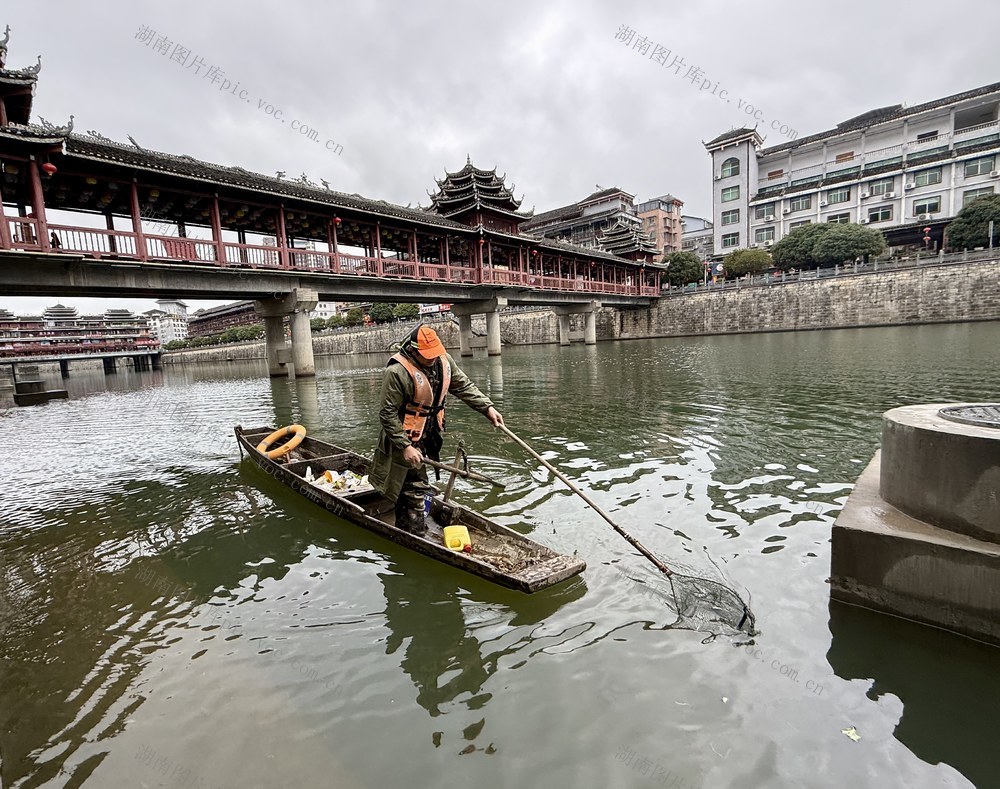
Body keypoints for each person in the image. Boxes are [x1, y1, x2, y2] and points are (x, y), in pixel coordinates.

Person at [369, 324, 504, 535]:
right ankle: (412, 531)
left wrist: (487, 408)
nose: (432, 359)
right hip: (403, 435)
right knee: (410, 485)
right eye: (427, 356)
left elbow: (463, 386)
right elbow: (387, 415)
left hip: (428, 432)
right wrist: (405, 446)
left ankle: (416, 510)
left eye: (434, 354)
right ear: (413, 350)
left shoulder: (444, 361)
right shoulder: (396, 372)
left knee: (416, 482)